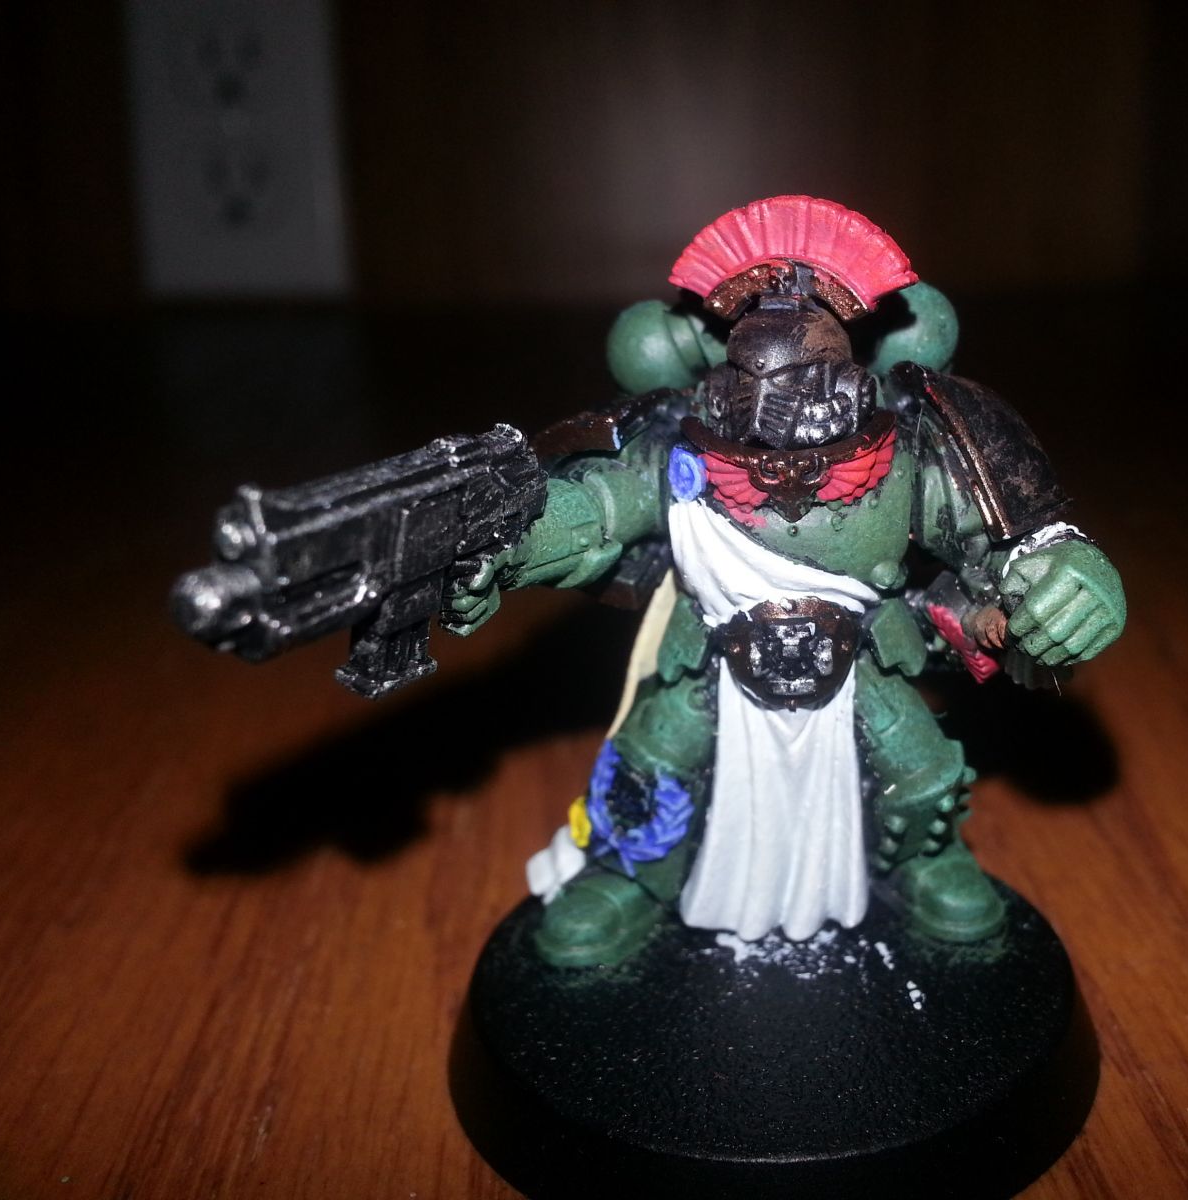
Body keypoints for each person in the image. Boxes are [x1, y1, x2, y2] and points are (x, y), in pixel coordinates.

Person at [445, 197, 1126, 967]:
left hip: (861, 657)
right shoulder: (679, 447)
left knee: (923, 772)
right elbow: (595, 509)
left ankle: (923, 864)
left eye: (808, 385)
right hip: (710, 658)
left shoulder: (907, 452)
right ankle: (629, 879)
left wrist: (1064, 577)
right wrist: (506, 539)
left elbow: (997, 535)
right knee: (650, 765)